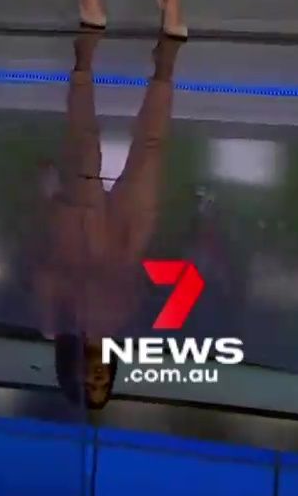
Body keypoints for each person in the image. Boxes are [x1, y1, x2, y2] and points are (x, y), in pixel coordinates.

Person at [40, 31, 181, 412]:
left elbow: (47, 272)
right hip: (128, 239)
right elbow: (145, 286)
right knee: (150, 152)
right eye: (102, 381)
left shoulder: (57, 326)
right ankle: (164, 67)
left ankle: (83, 63)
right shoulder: (126, 331)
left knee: (85, 145)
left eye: (88, 381)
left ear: (72, 372)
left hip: (83, 235)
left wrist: (50, 201)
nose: (96, 374)